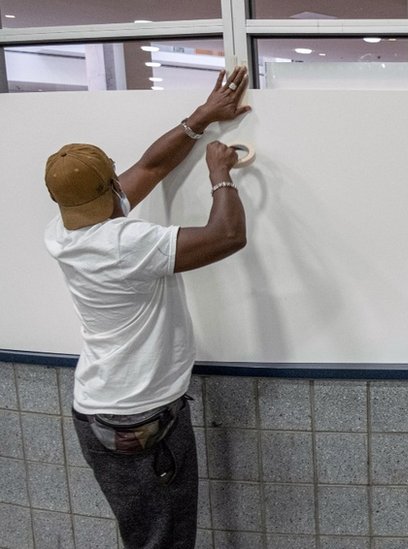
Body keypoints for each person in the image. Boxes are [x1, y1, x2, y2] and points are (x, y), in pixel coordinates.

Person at [43, 67, 252, 549]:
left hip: (98, 410)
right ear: (110, 185)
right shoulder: (126, 243)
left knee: (144, 533)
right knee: (164, 539)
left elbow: (152, 168)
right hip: (141, 423)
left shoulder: (62, 233)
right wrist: (219, 176)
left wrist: (201, 117)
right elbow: (228, 236)